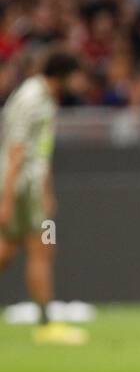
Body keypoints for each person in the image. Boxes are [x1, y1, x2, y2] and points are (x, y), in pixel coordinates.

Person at [0, 50, 89, 345]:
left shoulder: (44, 98)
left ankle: (45, 319)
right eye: (77, 75)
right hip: (22, 186)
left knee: (9, 249)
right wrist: (6, 198)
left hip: (31, 187)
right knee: (42, 248)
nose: (81, 82)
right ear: (64, 73)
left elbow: (41, 150)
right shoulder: (32, 99)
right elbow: (17, 149)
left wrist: (47, 190)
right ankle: (46, 323)